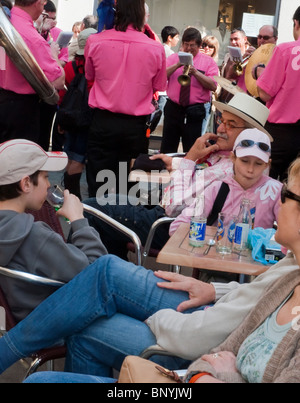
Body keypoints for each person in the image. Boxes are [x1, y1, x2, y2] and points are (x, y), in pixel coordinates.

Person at [0, 216, 297, 378]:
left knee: (100, 285)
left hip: (204, 341)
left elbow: (201, 335)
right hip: (213, 318)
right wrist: (214, 289)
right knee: (99, 288)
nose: (280, 202)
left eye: (287, 194)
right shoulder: (293, 263)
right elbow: (253, 297)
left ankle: (5, 351)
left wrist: (154, 317)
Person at [83, 93, 271, 260]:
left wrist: (190, 158)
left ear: (249, 134)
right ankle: (115, 269)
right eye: (222, 120)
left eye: (231, 125)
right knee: (107, 205)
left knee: (90, 208)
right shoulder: (232, 160)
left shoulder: (228, 169)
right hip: (173, 220)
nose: (221, 128)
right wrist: (179, 162)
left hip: (171, 227)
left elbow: (172, 207)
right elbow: (202, 175)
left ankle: (91, 273)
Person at [184, 157, 300, 383]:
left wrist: (227, 376)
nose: (279, 201)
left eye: (285, 194)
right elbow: (210, 358)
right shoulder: (288, 283)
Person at [0, 139, 107, 322]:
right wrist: (78, 219)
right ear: (26, 183)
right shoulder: (34, 235)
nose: (49, 185)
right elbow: (98, 274)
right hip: (58, 326)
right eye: (46, 177)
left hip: (19, 326)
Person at [84, 0, 167, 198]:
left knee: (98, 183)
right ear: (142, 16)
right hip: (134, 127)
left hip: (102, 122)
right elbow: (159, 86)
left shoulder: (95, 41)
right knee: (129, 185)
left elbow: (89, 76)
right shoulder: (155, 48)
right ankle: (122, 226)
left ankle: (96, 224)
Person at [170, 128, 281, 235]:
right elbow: (177, 227)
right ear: (233, 158)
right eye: (245, 161)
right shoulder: (216, 189)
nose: (250, 170)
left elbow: (291, 234)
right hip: (216, 251)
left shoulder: (277, 192)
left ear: (267, 164)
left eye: (258, 163)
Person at [0, 0, 65, 144]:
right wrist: (54, 55)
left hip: (3, 100)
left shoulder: (6, 20)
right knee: (20, 163)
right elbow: (59, 81)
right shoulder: (32, 37)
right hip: (20, 111)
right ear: (39, 3)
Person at [257, 6, 300, 182]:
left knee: (268, 185)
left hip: (282, 134)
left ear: (296, 24)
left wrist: (261, 76)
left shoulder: (285, 50)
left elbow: (265, 93)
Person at [160, 27, 219, 154]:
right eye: (186, 44)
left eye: (192, 45)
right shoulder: (174, 58)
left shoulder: (208, 62)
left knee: (191, 150)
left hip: (194, 110)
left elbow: (213, 86)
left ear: (199, 45)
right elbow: (161, 77)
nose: (188, 48)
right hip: (173, 107)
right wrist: (177, 65)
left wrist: (196, 73)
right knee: (167, 147)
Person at [59, 28, 97, 200]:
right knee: (78, 160)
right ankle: (75, 200)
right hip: (88, 120)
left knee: (70, 157)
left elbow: (62, 95)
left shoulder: (69, 66)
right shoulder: (95, 70)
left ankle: (69, 196)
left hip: (69, 119)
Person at [219, 28, 255, 104]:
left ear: (245, 39)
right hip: (224, 98)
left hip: (241, 101)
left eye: (236, 39)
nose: (233, 42)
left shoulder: (252, 56)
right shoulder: (228, 56)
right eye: (231, 40)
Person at [199, 35, 220, 135]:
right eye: (204, 45)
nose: (206, 48)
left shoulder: (214, 64)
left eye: (210, 46)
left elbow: (215, 87)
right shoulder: (196, 58)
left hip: (207, 102)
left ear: (214, 49)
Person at [158, 25, 180, 112]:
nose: (178, 39)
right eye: (177, 37)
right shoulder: (170, 53)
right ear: (169, 38)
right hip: (163, 90)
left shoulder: (160, 48)